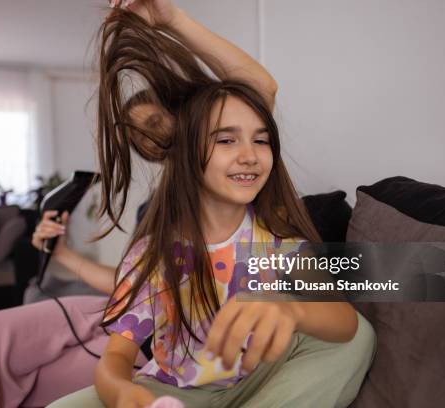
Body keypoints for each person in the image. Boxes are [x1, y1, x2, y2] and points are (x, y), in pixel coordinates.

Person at [47, 1, 376, 408]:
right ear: (184, 152)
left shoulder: (275, 241)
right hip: (173, 392)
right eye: (226, 140)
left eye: (261, 140)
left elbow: (345, 321)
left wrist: (294, 312)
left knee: (359, 336)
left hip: (259, 381)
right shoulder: (153, 250)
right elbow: (117, 356)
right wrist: (118, 388)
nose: (250, 154)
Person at [0, 95, 170, 408]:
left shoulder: (219, 199)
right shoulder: (151, 205)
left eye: (153, 123)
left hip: (150, 338)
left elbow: (138, 285)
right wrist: (60, 252)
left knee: (25, 386)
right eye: (136, 135)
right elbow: (134, 282)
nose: (148, 139)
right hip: (129, 315)